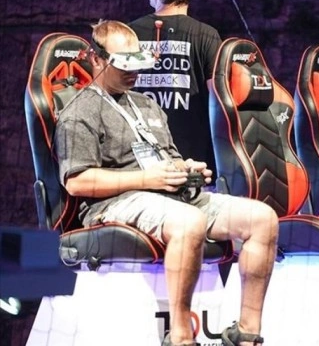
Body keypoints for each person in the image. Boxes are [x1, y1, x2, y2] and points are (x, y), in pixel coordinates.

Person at [55, 20, 277, 346]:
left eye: (137, 63)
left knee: (263, 219)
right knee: (189, 222)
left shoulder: (146, 104)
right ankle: (181, 336)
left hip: (167, 194)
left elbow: (168, 157)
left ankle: (247, 333)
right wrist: (147, 179)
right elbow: (77, 181)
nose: (133, 72)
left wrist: (185, 169)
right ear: (97, 59)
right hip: (114, 202)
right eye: (123, 65)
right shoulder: (80, 111)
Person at [129, 0, 221, 176]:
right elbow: (220, 101)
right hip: (194, 162)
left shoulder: (129, 33)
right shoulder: (207, 35)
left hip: (138, 164)